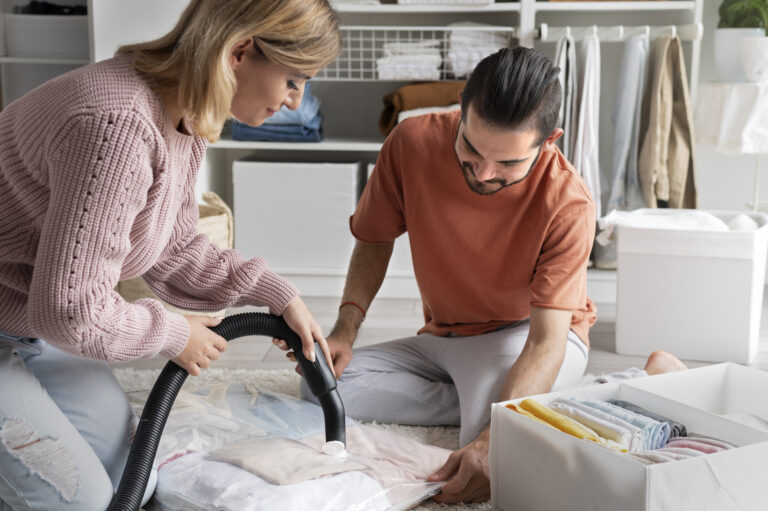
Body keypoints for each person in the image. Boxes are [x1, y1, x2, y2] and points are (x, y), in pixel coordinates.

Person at [0, 0, 340, 509]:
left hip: (30, 323)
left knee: (133, 479)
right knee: (82, 501)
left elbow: (172, 248)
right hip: (39, 316)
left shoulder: (183, 116)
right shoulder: (116, 125)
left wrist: (277, 293)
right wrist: (173, 333)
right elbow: (72, 311)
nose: (296, 102)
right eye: (294, 80)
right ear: (241, 52)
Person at [281, 46, 594, 504]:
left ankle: (559, 394)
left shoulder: (568, 202)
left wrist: (490, 439)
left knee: (483, 451)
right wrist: (344, 331)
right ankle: (488, 397)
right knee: (317, 386)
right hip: (443, 338)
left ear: (549, 142)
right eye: (471, 147)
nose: (484, 172)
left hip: (528, 335)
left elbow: (547, 340)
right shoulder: (410, 142)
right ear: (462, 105)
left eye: (508, 163)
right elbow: (374, 239)